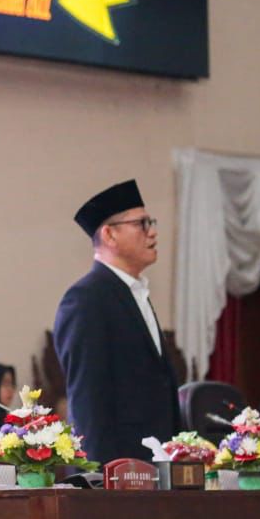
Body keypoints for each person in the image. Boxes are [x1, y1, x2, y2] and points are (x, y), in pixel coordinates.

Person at [52, 179, 179, 465]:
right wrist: (101, 479)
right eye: (142, 224)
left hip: (157, 468)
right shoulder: (86, 299)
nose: (153, 232)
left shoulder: (136, 294)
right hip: (120, 473)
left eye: (151, 222)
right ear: (109, 235)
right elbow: (88, 400)